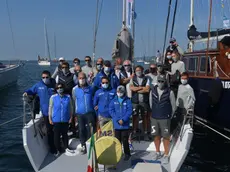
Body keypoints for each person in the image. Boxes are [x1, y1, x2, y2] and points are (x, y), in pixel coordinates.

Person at [23, 70, 56, 154]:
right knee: (49, 130)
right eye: (43, 77)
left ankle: (59, 144)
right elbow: (31, 90)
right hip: (45, 112)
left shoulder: (54, 84)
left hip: (56, 112)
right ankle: (52, 147)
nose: (45, 79)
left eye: (47, 77)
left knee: (57, 129)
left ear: (50, 77)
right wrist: (26, 92)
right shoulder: (38, 85)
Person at [149, 75, 176, 164]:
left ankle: (166, 154)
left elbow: (173, 106)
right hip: (154, 117)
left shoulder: (170, 92)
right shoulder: (152, 91)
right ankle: (157, 152)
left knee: (165, 136)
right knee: (156, 135)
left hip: (165, 118)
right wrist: (155, 112)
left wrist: (169, 116)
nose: (160, 83)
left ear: (165, 82)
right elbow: (150, 104)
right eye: (159, 81)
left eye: (162, 81)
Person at [72, 72, 95, 154]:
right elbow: (74, 102)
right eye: (80, 78)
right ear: (78, 79)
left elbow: (94, 97)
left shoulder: (90, 88)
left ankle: (90, 145)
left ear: (86, 78)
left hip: (89, 112)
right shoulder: (74, 89)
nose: (81, 80)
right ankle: (83, 145)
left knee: (90, 129)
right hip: (79, 113)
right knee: (81, 130)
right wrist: (74, 114)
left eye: (83, 78)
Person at [49, 83, 73, 155]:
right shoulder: (53, 97)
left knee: (65, 134)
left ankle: (66, 147)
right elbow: (50, 109)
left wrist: (71, 117)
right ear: (56, 89)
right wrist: (50, 119)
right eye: (58, 88)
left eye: (61, 87)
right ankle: (58, 150)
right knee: (56, 136)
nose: (60, 89)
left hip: (65, 119)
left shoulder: (68, 97)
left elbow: (71, 108)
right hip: (56, 120)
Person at [109, 85, 132, 161]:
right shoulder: (114, 100)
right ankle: (118, 153)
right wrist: (117, 119)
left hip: (125, 125)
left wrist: (123, 119)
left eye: (121, 92)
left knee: (125, 140)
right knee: (117, 140)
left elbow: (129, 111)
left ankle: (127, 154)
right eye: (118, 92)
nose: (119, 93)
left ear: (124, 92)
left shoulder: (128, 100)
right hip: (117, 125)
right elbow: (111, 110)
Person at [129, 65, 150, 138]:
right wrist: (141, 88)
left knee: (145, 117)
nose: (138, 71)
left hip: (144, 101)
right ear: (135, 71)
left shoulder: (146, 78)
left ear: (142, 70)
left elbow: (147, 89)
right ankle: (134, 132)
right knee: (135, 117)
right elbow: (132, 88)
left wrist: (137, 89)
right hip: (135, 101)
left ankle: (145, 132)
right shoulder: (133, 79)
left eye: (139, 70)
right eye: (137, 70)